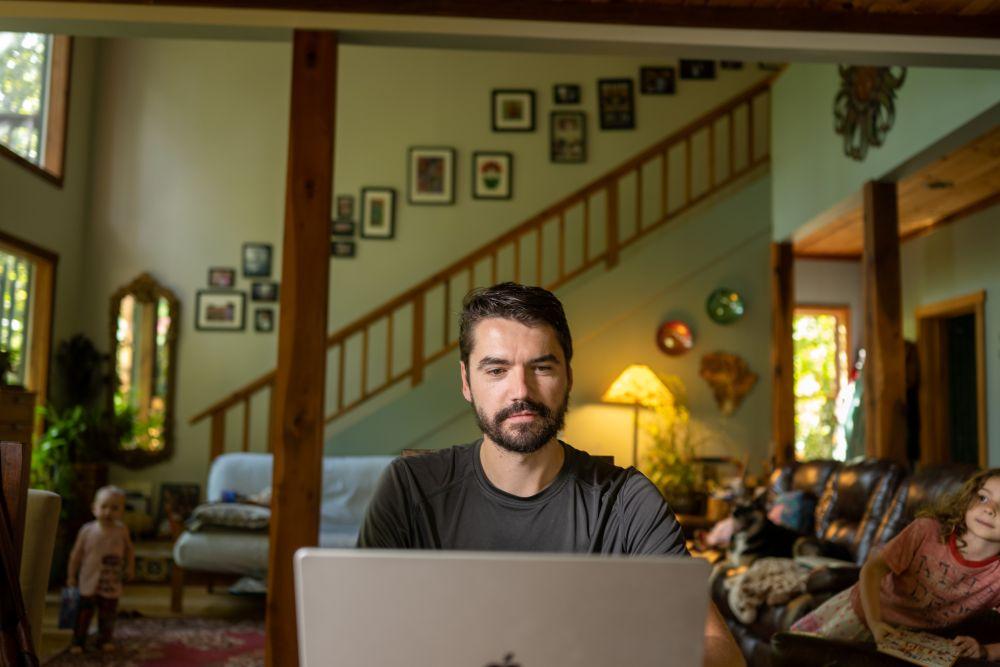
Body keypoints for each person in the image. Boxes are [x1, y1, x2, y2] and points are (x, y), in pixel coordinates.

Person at [359, 282, 744, 666]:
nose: (520, 391)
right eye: (496, 369)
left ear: (568, 377)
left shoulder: (626, 500)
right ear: (466, 382)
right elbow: (362, 635)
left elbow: (721, 650)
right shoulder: (408, 488)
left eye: (541, 367)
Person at [791, 469, 1000, 660]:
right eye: (982, 498)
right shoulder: (927, 530)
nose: (990, 509)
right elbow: (872, 570)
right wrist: (875, 624)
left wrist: (986, 651)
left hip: (912, 644)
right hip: (864, 612)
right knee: (801, 656)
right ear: (968, 498)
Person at [67, 485, 135, 653]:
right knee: (83, 613)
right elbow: (76, 555)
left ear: (122, 511)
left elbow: (129, 550)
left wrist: (130, 567)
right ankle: (78, 641)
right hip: (88, 579)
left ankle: (105, 639)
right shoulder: (87, 530)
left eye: (115, 508)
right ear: (94, 508)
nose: (108, 512)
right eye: (103, 506)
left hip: (111, 581)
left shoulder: (121, 530)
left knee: (108, 612)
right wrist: (71, 576)